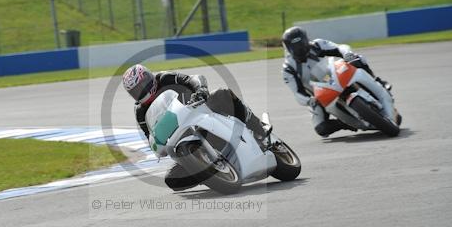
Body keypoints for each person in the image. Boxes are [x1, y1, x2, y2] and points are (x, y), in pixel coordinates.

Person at [122, 64, 269, 191]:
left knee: (222, 93)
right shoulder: (140, 111)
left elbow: (192, 79)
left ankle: (260, 128)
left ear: (149, 77)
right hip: (182, 137)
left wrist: (200, 90)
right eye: (136, 91)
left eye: (142, 85)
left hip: (201, 110)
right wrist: (157, 146)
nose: (141, 91)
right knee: (172, 180)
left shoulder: (165, 78)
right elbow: (150, 135)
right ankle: (211, 173)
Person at [281, 26, 394, 137]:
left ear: (306, 41)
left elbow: (340, 47)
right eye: (296, 48)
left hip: (331, 76)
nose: (300, 50)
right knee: (321, 128)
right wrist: (309, 100)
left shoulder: (317, 45)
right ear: (288, 48)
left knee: (358, 59)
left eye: (302, 46)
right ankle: (345, 122)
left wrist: (348, 54)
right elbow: (297, 92)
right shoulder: (288, 68)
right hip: (317, 95)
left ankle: (378, 81)